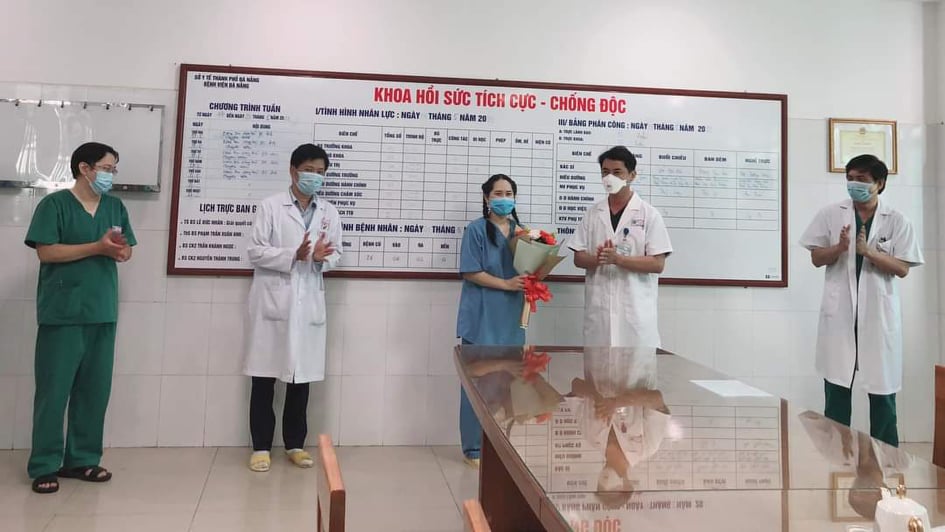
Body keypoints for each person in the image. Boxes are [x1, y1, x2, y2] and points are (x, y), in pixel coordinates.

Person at [24, 142, 136, 494]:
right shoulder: (54, 205)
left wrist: (120, 250)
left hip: (102, 311)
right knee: (53, 392)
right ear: (84, 169)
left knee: (94, 391)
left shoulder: (115, 207)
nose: (110, 175)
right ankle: (44, 464)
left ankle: (82, 459)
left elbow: (127, 248)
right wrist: (96, 247)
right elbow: (46, 251)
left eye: (114, 169)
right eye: (106, 168)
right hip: (63, 313)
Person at [799, 154, 923, 447]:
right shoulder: (831, 214)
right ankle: (836, 460)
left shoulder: (897, 220)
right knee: (837, 393)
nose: (854, 185)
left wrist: (869, 253)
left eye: (862, 180)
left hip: (877, 319)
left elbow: (903, 269)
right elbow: (817, 258)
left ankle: (887, 469)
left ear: (879, 184)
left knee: (882, 396)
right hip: (840, 317)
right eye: (850, 178)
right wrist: (840, 248)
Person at [244, 143, 342, 472]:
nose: (314, 177)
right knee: (264, 378)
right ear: (293, 170)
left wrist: (318, 259)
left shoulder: (329, 213)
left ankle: (295, 444)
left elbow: (337, 253)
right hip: (273, 302)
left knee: (301, 380)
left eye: (320, 172)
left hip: (308, 302)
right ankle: (260, 447)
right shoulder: (270, 207)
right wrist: (291, 255)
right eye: (309, 170)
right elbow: (255, 251)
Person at [456, 174, 528, 467]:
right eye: (497, 193)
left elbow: (530, 268)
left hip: (511, 318)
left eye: (509, 192)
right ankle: (473, 449)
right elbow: (470, 271)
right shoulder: (475, 230)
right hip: (481, 315)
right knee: (477, 383)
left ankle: (503, 445)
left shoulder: (522, 233)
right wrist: (507, 284)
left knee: (509, 382)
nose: (503, 197)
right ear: (486, 198)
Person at [569, 146, 673, 348]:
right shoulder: (593, 213)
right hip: (599, 316)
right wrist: (598, 259)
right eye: (605, 172)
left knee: (637, 377)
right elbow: (578, 258)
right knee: (597, 376)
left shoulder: (649, 214)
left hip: (634, 316)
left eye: (617, 172)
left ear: (632, 175)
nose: (610, 178)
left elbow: (658, 263)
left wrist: (618, 260)